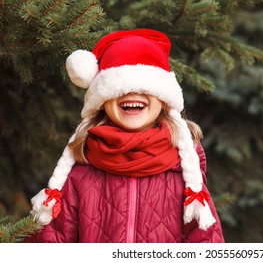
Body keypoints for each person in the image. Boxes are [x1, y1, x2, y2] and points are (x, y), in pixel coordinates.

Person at [25, 29, 224, 243]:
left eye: (145, 86)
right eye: (118, 89)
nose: (131, 93)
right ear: (101, 100)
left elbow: (205, 242)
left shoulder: (184, 171)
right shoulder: (81, 167)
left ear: (164, 99)